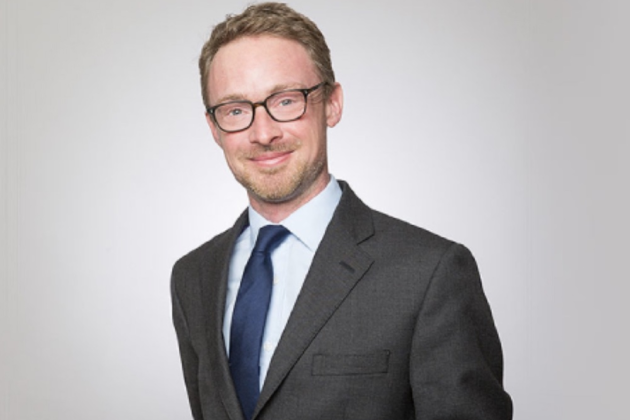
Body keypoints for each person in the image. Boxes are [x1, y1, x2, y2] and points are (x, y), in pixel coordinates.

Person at [171, 3, 513, 420]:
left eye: (286, 100)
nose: (263, 133)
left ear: (332, 104)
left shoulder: (429, 274)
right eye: (236, 110)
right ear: (214, 128)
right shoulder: (193, 277)